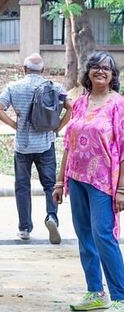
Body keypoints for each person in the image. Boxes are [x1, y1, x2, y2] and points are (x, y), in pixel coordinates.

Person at [53, 51, 124, 311]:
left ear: (113, 75)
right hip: (77, 177)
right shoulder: (80, 103)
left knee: (103, 235)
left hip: (103, 181)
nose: (100, 71)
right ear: (89, 72)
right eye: (95, 66)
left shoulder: (119, 105)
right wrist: (60, 182)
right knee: (84, 236)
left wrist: (122, 190)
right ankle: (95, 292)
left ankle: (120, 296)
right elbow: (69, 146)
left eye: (107, 68)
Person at [0, 52, 72, 243]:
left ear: (24, 69)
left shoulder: (14, 87)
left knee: (22, 186)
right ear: (43, 70)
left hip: (23, 146)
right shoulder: (54, 87)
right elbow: (71, 106)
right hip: (45, 144)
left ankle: (24, 228)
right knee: (50, 185)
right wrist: (57, 128)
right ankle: (52, 217)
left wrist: (13, 124)